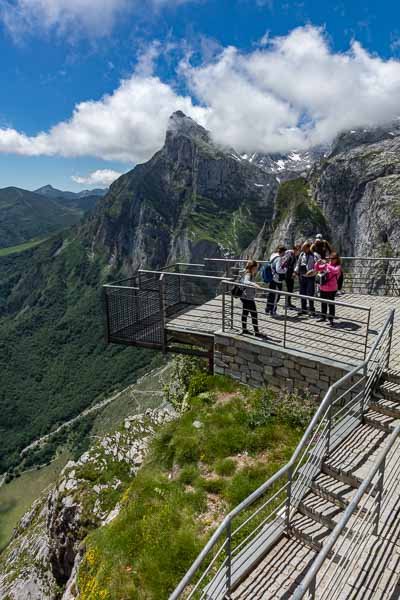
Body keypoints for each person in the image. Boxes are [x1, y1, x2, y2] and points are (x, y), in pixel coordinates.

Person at [315, 252, 342, 326]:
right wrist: (318, 263)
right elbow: (317, 268)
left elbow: (335, 271)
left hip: (331, 288)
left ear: (337, 259)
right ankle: (323, 317)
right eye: (330, 258)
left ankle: (331, 319)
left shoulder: (338, 266)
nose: (331, 260)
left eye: (333, 259)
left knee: (331, 304)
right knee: (323, 303)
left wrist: (327, 264)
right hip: (323, 287)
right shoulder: (327, 265)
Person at [240, 260, 263, 336]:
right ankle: (256, 332)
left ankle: (244, 330)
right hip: (248, 298)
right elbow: (246, 282)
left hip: (245, 296)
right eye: (256, 267)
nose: (256, 269)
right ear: (252, 267)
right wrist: (255, 284)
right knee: (254, 314)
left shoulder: (246, 272)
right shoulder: (248, 274)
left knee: (245, 313)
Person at [295, 241, 317, 315]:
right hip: (302, 276)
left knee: (310, 293)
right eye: (302, 248)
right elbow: (298, 264)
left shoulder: (314, 255)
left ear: (308, 248)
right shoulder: (302, 254)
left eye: (304, 248)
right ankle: (303, 309)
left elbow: (317, 267)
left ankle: (312, 310)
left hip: (310, 277)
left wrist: (312, 271)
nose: (303, 250)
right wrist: (295, 272)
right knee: (302, 293)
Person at [266, 246, 287, 315]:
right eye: (284, 252)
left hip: (272, 278)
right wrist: (285, 270)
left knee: (271, 295)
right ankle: (273, 311)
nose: (285, 254)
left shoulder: (273, 255)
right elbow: (278, 269)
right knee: (276, 296)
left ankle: (268, 309)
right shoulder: (279, 259)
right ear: (283, 252)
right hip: (277, 279)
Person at [285, 244, 301, 308]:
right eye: (298, 250)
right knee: (289, 289)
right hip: (289, 275)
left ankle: (288, 303)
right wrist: (294, 273)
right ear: (295, 250)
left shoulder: (292, 255)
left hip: (289, 274)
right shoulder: (292, 256)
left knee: (290, 289)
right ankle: (288, 304)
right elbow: (290, 266)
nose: (298, 252)